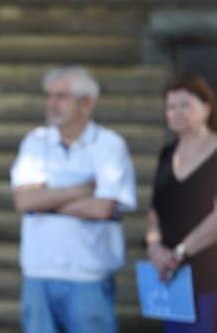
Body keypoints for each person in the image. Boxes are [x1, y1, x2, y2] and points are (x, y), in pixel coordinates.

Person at [9, 66, 137, 333]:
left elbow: (102, 208)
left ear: (86, 103)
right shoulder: (35, 141)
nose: (52, 104)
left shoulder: (109, 145)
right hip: (37, 274)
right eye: (50, 96)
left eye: (61, 96)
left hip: (89, 277)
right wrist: (78, 191)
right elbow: (23, 202)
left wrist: (45, 198)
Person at [145, 73, 217, 333]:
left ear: (206, 107)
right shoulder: (167, 154)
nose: (177, 112)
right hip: (174, 280)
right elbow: (155, 209)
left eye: (185, 105)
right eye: (171, 106)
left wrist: (180, 252)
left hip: (210, 277)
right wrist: (155, 248)